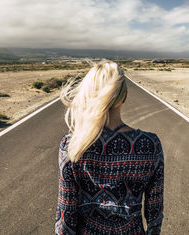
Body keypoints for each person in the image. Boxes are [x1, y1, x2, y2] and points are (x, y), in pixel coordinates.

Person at [55, 59, 164, 234]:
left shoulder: (72, 145)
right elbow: (154, 214)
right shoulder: (150, 145)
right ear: (125, 96)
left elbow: (65, 215)